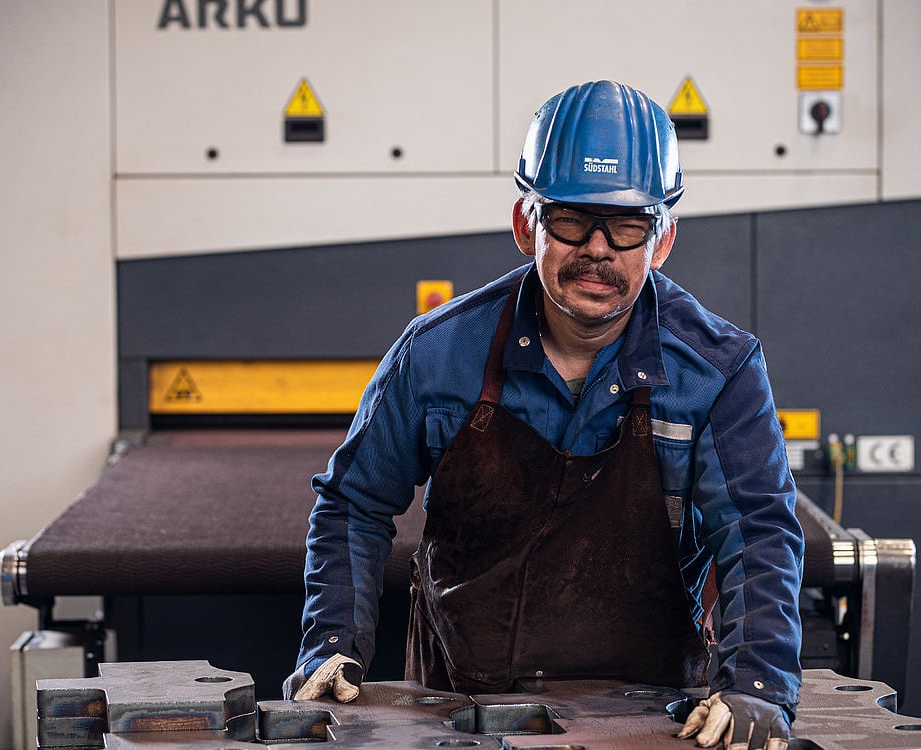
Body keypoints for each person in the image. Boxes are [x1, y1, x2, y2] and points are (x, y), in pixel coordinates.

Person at [283, 81, 804, 750]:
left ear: (662, 238)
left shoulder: (718, 371)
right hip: (458, 709)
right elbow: (352, 505)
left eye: (625, 226)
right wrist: (331, 643)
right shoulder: (439, 353)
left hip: (645, 717)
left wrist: (755, 687)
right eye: (568, 220)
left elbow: (757, 534)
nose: (596, 248)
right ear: (526, 223)